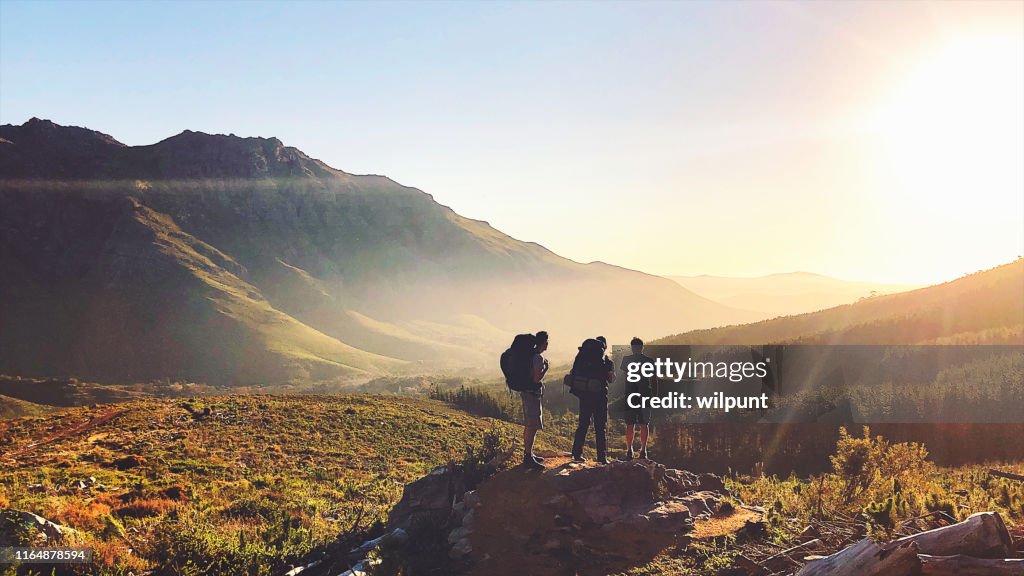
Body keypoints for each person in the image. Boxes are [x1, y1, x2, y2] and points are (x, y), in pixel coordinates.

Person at [570, 337, 615, 464]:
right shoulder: (606, 361)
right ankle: (602, 458)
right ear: (604, 347)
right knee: (600, 427)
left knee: (583, 424)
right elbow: (610, 379)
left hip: (584, 395)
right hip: (600, 396)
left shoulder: (583, 357)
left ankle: (576, 453)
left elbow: (573, 372)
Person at [620, 337, 657, 460]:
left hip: (630, 393)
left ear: (632, 348)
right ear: (642, 347)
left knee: (630, 424)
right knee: (644, 424)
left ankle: (629, 449)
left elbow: (625, 376)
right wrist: (655, 396)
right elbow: (653, 380)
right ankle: (643, 450)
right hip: (645, 394)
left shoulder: (626, 360)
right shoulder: (649, 361)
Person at [520, 331, 549, 470]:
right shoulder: (538, 357)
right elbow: (536, 378)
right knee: (532, 426)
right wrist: (545, 369)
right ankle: (527, 457)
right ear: (544, 342)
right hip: (532, 395)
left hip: (526, 393)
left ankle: (528, 453)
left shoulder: (529, 355)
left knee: (529, 424)